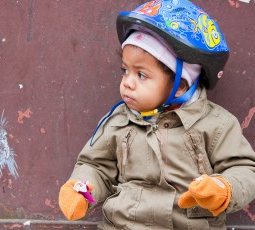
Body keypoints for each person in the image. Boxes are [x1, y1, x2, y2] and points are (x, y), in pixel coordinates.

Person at [58, 0, 255, 229]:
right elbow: (96, 166)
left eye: (141, 75)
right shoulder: (119, 121)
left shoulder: (216, 125)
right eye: (125, 70)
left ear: (180, 86)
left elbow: (244, 169)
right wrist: (82, 188)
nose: (127, 83)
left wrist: (224, 189)